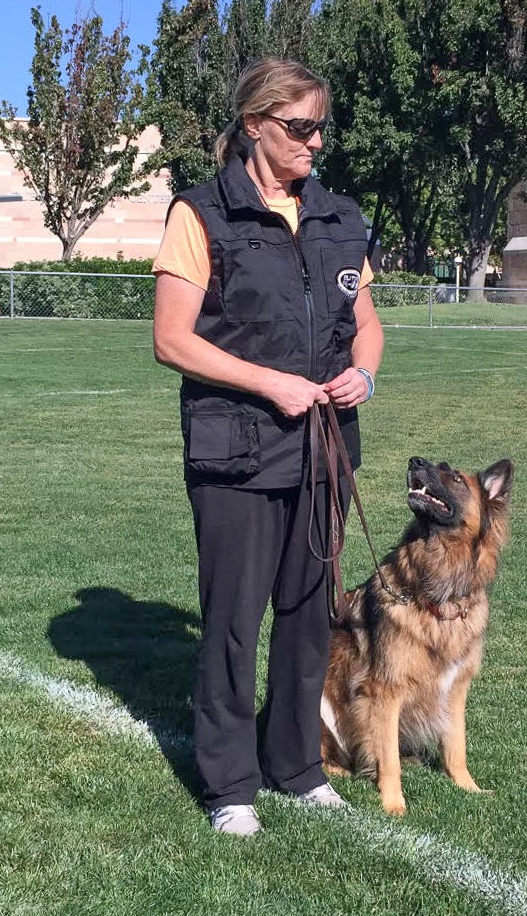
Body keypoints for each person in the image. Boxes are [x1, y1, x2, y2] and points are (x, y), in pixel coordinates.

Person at [152, 58, 384, 837]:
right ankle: (229, 787)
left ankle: (295, 764)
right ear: (255, 125)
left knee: (310, 615)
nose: (315, 142)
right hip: (238, 452)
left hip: (324, 448)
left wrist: (364, 374)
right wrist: (267, 383)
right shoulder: (201, 212)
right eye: (300, 128)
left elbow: (365, 320)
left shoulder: (339, 215)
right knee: (230, 621)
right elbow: (171, 340)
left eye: (322, 127)